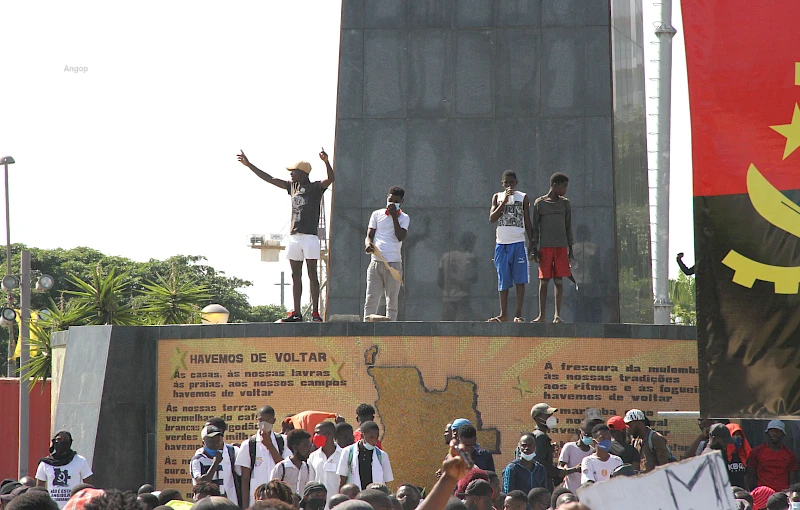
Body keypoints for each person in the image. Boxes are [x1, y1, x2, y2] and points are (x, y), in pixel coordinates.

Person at [237, 148, 334, 322]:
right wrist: (249, 164)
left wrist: (326, 162)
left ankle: (315, 313)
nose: (290, 174)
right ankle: (297, 313)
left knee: (312, 274)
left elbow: (331, 179)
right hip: (294, 237)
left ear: (303, 173)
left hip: (310, 237)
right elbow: (270, 179)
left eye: (293, 172)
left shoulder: (315, 187)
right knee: (295, 275)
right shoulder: (292, 187)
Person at [488, 170, 533, 323]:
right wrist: (504, 201)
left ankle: (518, 314)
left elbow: (527, 221)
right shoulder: (497, 197)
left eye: (512, 183)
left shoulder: (523, 197)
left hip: (518, 243)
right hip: (502, 244)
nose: (509, 185)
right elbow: (492, 218)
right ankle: (503, 314)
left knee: (520, 280)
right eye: (506, 183)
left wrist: (532, 242)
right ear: (502, 184)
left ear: (516, 183)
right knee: (503, 280)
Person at [530, 172, 573, 323]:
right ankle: (542, 315)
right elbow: (535, 228)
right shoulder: (539, 203)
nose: (565, 190)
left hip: (561, 247)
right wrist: (534, 248)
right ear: (555, 186)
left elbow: (568, 227)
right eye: (564, 186)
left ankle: (557, 315)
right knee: (544, 281)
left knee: (559, 281)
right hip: (545, 248)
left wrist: (570, 249)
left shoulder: (565, 204)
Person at [363, 186, 410, 321]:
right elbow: (369, 235)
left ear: (401, 202)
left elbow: (400, 236)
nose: (391, 203)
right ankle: (367, 326)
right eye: (390, 200)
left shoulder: (404, 218)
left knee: (392, 300)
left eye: (395, 201)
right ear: (387, 198)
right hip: (376, 261)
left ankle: (391, 331)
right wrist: (368, 245)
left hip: (394, 263)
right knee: (371, 297)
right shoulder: (377, 214)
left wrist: (395, 217)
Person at [236, 405, 291, 508]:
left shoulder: (283, 441)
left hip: (279, 499)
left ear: (274, 420)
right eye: (261, 420)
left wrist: (270, 445)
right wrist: (245, 506)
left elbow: (285, 468)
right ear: (257, 421)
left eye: (268, 420)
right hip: (257, 500)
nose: (264, 424)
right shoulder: (248, 445)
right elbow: (245, 478)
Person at [35, 431, 93, 509]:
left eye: (65, 440)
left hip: (74, 507)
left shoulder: (80, 461)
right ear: (53, 442)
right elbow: (39, 490)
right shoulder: (45, 463)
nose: (61, 442)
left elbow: (89, 487)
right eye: (58, 439)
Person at [190, 425, 240, 507]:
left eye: (217, 441)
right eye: (211, 441)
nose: (215, 444)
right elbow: (201, 482)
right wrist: (215, 463)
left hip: (219, 502)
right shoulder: (198, 460)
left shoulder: (221, 456)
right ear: (203, 442)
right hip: (204, 503)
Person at [337, 421, 393, 490]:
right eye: (371, 437)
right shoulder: (347, 452)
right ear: (362, 436)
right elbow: (342, 479)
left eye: (376, 437)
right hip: (355, 496)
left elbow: (386, 482)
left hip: (375, 497)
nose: (374, 441)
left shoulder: (382, 456)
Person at [747, 420, 798, 492]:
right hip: (762, 494)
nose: (774, 434)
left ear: (783, 434)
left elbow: (793, 480)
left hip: (783, 494)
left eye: (778, 431)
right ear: (767, 433)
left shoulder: (790, 454)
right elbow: (750, 476)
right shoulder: (757, 451)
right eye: (772, 431)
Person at [271, 429, 315, 494]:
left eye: (310, 445)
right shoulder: (281, 468)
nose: (309, 449)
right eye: (305, 446)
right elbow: (272, 491)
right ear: (295, 448)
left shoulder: (307, 468)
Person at [309, 421, 343, 506]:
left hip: (338, 505)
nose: (315, 436)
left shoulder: (343, 455)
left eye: (317, 432)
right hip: (319, 506)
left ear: (328, 434)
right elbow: (311, 482)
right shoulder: (313, 456)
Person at [530, 403, 562, 489]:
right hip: (542, 485)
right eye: (547, 415)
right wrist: (561, 472)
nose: (551, 418)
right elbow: (541, 464)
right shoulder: (540, 436)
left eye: (551, 415)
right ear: (537, 418)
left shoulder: (538, 435)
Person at [558, 421, 594, 491]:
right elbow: (559, 469)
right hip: (570, 492)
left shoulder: (593, 452)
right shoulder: (569, 447)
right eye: (587, 434)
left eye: (592, 435)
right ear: (580, 432)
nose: (590, 437)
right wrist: (575, 469)